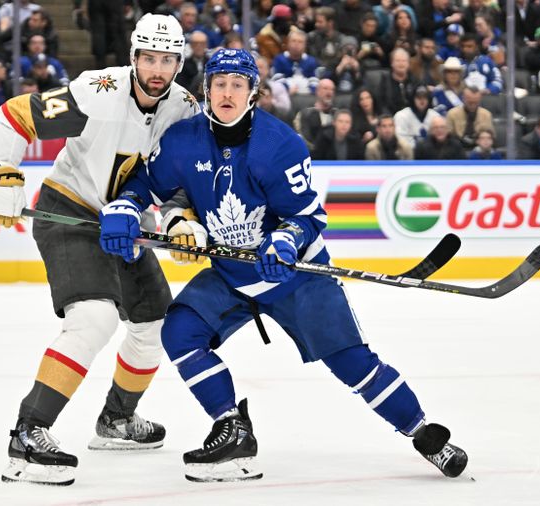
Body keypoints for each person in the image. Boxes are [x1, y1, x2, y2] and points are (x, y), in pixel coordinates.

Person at [97, 48, 468, 483]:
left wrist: (287, 240)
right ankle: (231, 428)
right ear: (206, 90)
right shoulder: (182, 140)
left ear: (253, 92)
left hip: (295, 277)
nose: (227, 93)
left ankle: (425, 435)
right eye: (219, 84)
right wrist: (126, 204)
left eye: (238, 85)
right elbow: (147, 184)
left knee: (355, 365)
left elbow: (308, 217)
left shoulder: (279, 145)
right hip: (232, 273)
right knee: (180, 330)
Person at [0, 13, 199, 486]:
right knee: (95, 319)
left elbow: (185, 178)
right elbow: (16, 115)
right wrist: (2, 173)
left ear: (179, 63)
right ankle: (28, 434)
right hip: (73, 213)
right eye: (149, 58)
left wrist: (183, 218)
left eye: (168, 59)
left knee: (156, 324)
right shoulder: (97, 91)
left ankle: (117, 419)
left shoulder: (184, 108)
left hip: (129, 227)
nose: (157, 69)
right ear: (133, 58)